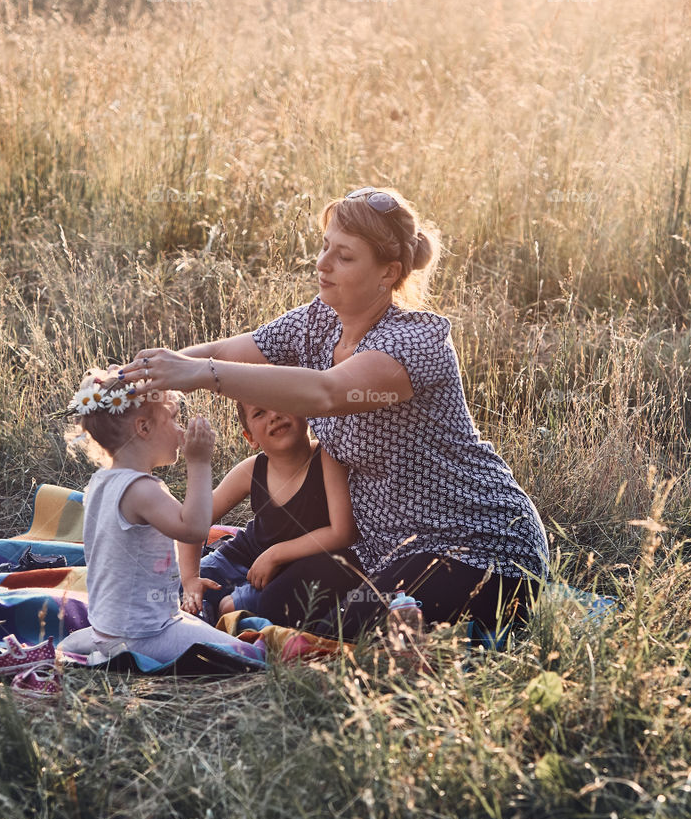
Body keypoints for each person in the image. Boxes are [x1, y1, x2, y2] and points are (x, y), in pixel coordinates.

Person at [114, 187, 550, 637]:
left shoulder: (416, 343)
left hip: (475, 544)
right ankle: (399, 622)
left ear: (388, 273)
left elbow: (325, 393)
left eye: (344, 256)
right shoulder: (317, 321)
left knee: (348, 627)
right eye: (325, 247)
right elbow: (229, 350)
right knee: (280, 603)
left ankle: (415, 633)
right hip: (375, 547)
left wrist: (197, 372)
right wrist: (138, 379)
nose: (322, 264)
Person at [57, 369, 264, 665]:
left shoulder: (102, 481)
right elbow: (193, 529)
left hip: (108, 628)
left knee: (198, 629)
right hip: (147, 633)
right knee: (249, 655)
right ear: (143, 428)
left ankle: (98, 647)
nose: (181, 431)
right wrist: (200, 462)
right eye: (174, 419)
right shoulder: (142, 489)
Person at [178, 400, 358, 621]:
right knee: (172, 587)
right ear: (250, 437)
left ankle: (218, 621)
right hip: (239, 557)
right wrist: (189, 579)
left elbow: (343, 532)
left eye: (280, 399)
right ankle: (199, 619)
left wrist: (275, 555)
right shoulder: (251, 470)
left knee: (232, 608)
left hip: (288, 572)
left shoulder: (326, 457)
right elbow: (193, 523)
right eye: (260, 413)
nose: (274, 415)